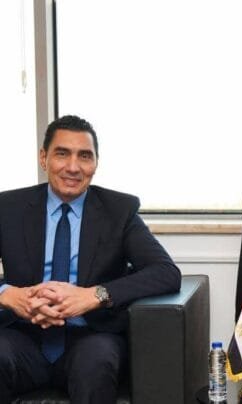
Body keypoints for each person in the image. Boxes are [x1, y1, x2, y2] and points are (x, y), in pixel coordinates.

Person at [0, 115, 182, 404]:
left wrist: (94, 295)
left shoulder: (118, 211)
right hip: (23, 337)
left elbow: (165, 272)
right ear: (43, 158)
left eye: (84, 156)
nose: (73, 167)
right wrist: (8, 294)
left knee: (96, 362)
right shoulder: (8, 208)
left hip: (90, 336)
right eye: (62, 154)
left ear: (96, 163)